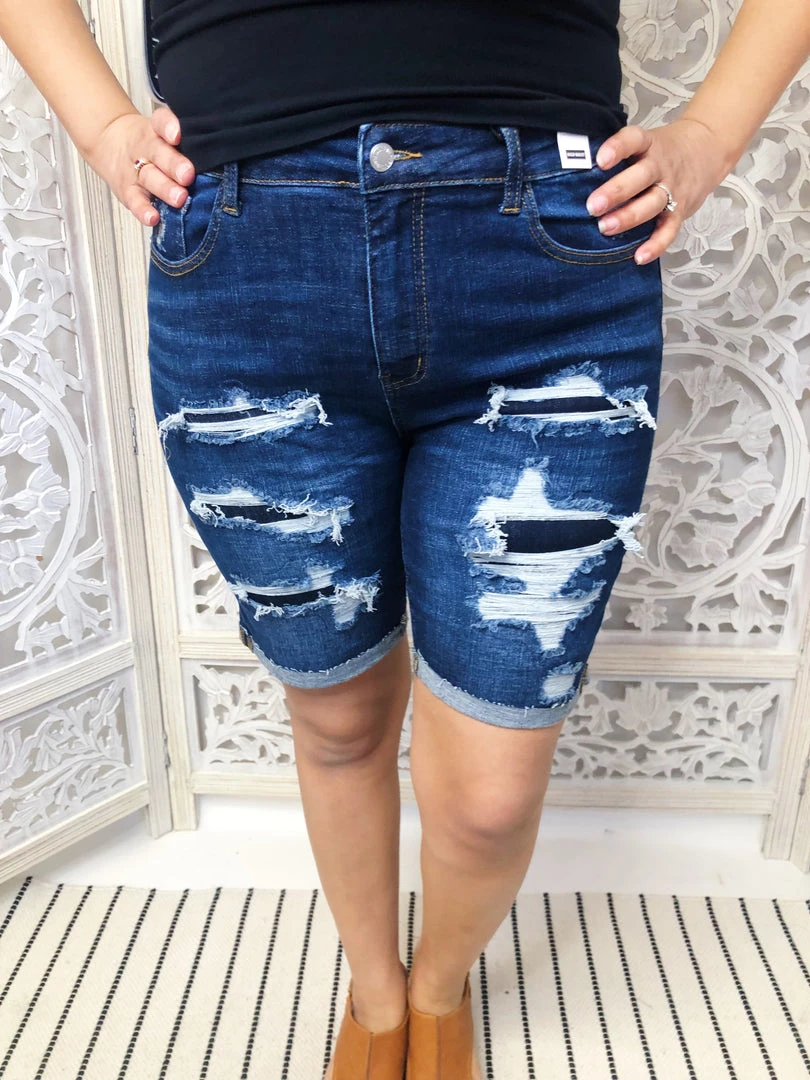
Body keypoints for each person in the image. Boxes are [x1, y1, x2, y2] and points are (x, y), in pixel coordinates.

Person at [2, 2, 808, 1077]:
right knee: (337, 718)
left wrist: (707, 136)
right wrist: (106, 128)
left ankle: (440, 987)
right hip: (246, 263)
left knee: (491, 797)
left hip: (549, 261)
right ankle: (378, 1001)